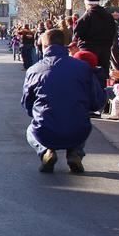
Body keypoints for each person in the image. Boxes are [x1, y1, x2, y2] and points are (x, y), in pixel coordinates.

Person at [22, 29, 106, 173]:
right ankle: (75, 153)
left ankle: (45, 151)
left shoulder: (34, 70)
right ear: (65, 45)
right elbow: (97, 101)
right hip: (77, 129)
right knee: (80, 118)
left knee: (30, 130)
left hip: (44, 129)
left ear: (44, 46)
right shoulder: (83, 68)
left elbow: (27, 104)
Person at [73, 0, 116, 81]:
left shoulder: (85, 17)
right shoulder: (109, 17)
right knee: (102, 77)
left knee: (87, 77)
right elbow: (113, 32)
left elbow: (77, 34)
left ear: (87, 4)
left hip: (88, 50)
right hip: (105, 50)